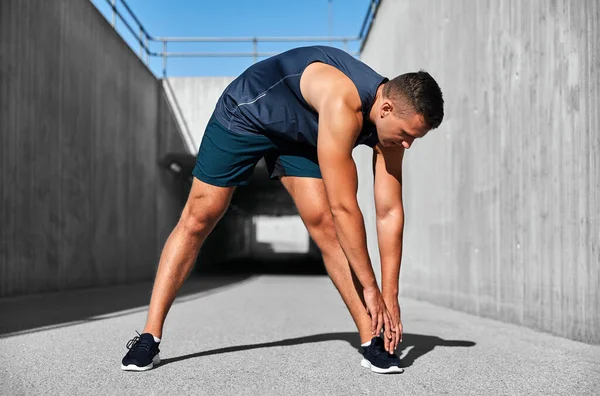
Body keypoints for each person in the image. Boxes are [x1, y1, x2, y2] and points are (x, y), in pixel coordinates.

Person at [121, 45, 444, 374]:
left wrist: (390, 295)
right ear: (386, 108)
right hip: (248, 113)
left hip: (302, 132)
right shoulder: (342, 101)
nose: (407, 145)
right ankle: (149, 337)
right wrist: (371, 289)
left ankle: (371, 339)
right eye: (406, 135)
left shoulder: (394, 129)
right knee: (200, 217)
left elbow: (389, 213)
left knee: (326, 226)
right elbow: (345, 206)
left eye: (414, 138)